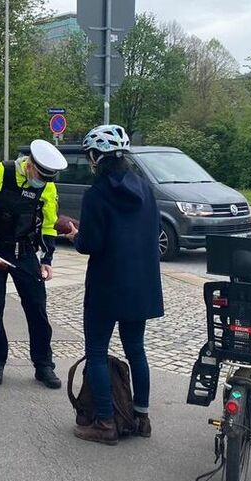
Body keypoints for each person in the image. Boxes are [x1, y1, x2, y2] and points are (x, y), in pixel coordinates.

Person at [71, 125, 164, 445]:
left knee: (96, 352)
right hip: (141, 283)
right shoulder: (145, 188)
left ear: (98, 157)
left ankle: (105, 422)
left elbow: (90, 244)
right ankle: (142, 417)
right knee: (136, 350)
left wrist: (75, 235)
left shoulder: (97, 194)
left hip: (106, 285)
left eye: (90, 157)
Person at [0, 140, 73, 388]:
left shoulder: (47, 187)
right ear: (30, 165)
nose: (42, 183)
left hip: (24, 252)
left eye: (48, 179)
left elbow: (47, 224)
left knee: (37, 309)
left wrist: (46, 259)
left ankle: (44, 365)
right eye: (40, 176)